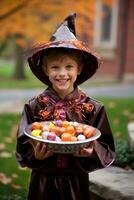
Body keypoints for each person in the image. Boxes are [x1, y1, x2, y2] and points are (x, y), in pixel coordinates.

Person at [16, 13, 115, 200]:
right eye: (55, 67)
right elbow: (22, 147)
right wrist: (35, 155)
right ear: (45, 69)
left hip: (76, 183)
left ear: (79, 69)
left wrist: (92, 150)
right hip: (42, 183)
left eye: (69, 67)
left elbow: (107, 148)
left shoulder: (92, 108)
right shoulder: (35, 107)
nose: (62, 74)